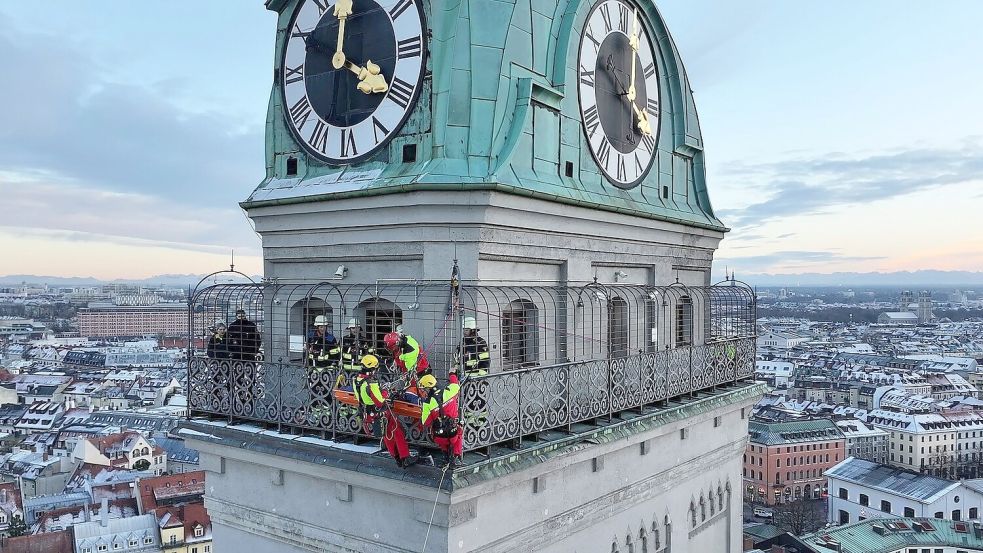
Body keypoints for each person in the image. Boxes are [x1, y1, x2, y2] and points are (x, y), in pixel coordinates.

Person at [354, 354, 416, 468]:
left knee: (387, 435)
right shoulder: (371, 383)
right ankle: (405, 457)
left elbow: (364, 396)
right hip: (381, 413)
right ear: (372, 369)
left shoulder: (357, 380)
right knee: (396, 432)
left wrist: (379, 390)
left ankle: (397, 457)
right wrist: (386, 392)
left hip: (368, 412)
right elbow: (380, 402)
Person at [419, 371, 463, 466]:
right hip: (453, 432)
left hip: (440, 436)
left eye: (424, 389)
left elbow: (425, 422)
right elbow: (455, 384)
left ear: (428, 388)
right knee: (459, 432)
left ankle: (445, 457)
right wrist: (452, 374)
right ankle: (456, 457)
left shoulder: (427, 403)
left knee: (441, 438)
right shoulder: (449, 391)